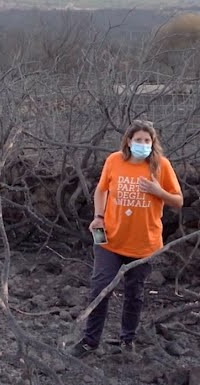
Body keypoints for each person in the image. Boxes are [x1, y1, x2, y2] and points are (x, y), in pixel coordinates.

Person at [69, 119, 183, 357]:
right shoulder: (114, 161)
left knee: (134, 294)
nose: (143, 144)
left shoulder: (161, 166)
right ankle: (90, 341)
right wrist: (98, 216)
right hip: (107, 237)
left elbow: (178, 201)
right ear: (128, 141)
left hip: (144, 244)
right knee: (100, 287)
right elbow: (101, 189)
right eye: (138, 140)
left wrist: (158, 192)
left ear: (153, 143)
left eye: (147, 140)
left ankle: (127, 340)